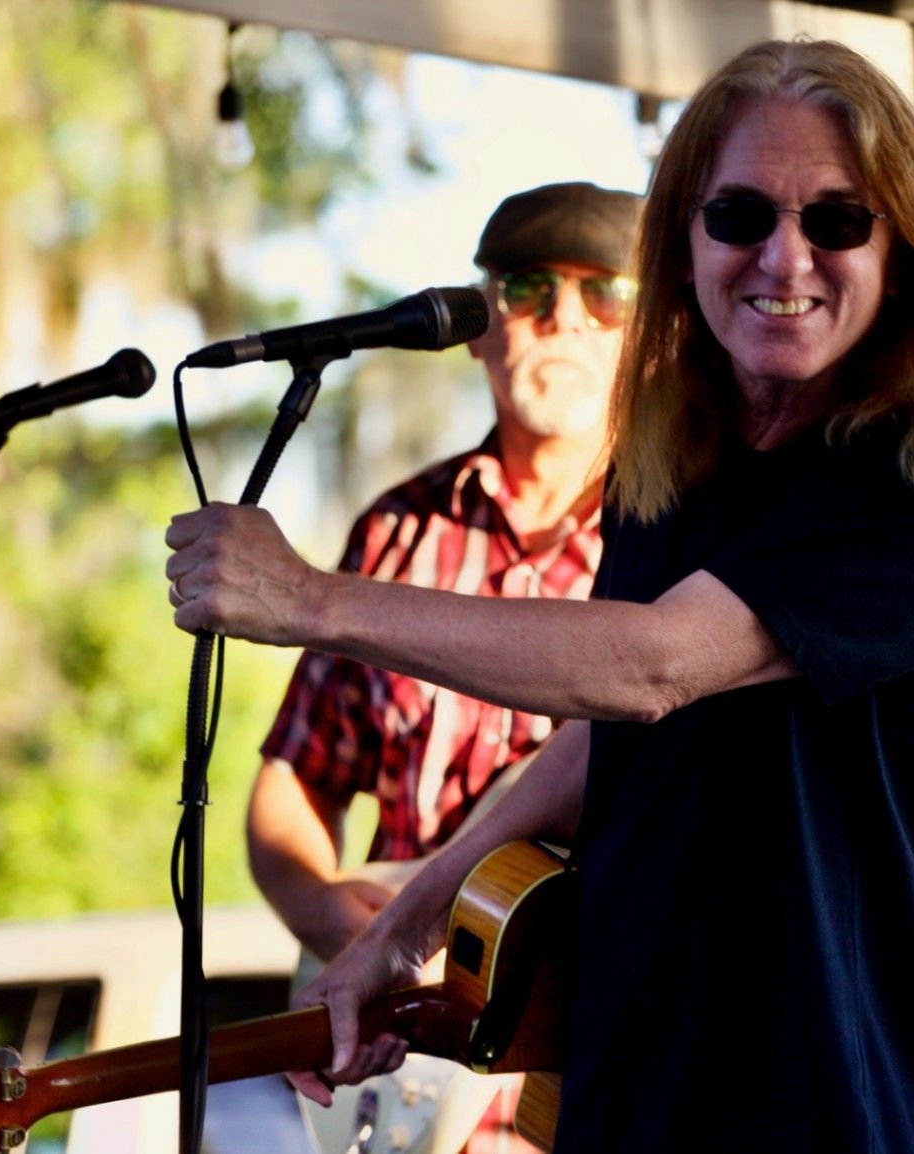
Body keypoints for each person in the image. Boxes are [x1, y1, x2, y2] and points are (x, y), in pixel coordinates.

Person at [167, 38, 914, 1154]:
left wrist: (305, 598)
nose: (785, 256)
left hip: (824, 1109)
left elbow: (652, 667)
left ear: (900, 249)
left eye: (834, 219)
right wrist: (412, 917)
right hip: (622, 1098)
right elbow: (606, 745)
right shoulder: (669, 468)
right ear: (682, 238)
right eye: (737, 216)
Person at [244, 182, 642, 1154]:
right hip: (416, 1079)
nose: (564, 320)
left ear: (656, 333)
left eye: (607, 295)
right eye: (529, 287)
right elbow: (294, 776)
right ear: (476, 324)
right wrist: (330, 910)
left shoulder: (681, 541)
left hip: (601, 1065)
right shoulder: (397, 527)